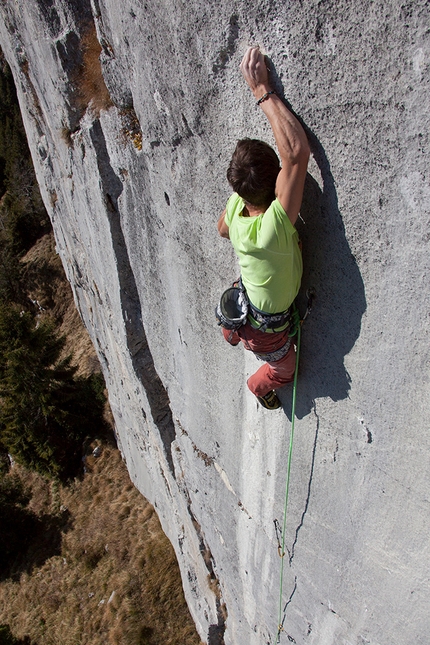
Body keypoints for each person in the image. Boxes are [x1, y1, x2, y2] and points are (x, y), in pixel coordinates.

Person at [217, 46, 310, 410]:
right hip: (266, 334)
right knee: (286, 368)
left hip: (245, 302)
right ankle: (259, 385)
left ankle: (231, 331)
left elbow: (222, 229)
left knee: (240, 321)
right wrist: (262, 91)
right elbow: (296, 153)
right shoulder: (275, 223)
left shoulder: (238, 208)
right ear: (276, 187)